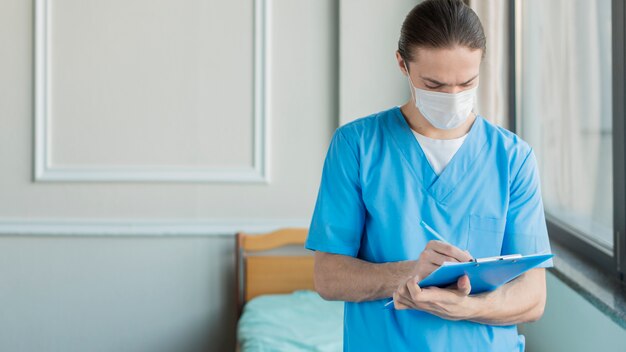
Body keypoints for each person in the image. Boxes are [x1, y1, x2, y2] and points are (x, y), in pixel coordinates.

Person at [304, 0, 554, 350]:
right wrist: (412, 273)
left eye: (466, 83)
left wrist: (467, 308)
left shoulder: (513, 158)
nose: (453, 97)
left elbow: (533, 297)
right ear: (402, 65)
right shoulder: (357, 146)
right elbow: (328, 277)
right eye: (434, 85)